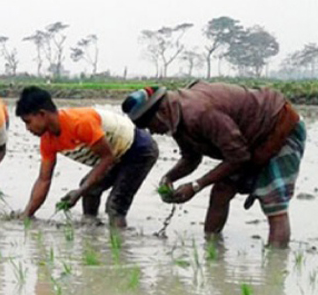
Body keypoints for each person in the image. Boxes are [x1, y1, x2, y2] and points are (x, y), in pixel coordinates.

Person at [122, 82, 307, 248]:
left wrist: (196, 185)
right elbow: (191, 158)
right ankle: (212, 252)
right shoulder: (176, 118)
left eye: (150, 125)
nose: (152, 132)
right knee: (221, 191)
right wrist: (169, 177)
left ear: (161, 112)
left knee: (273, 201)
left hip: (277, 127)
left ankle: (276, 266)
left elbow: (239, 156)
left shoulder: (200, 112)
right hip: (246, 142)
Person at [14, 86, 158, 228]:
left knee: (115, 205)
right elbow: (44, 179)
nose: (27, 128)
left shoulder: (80, 123)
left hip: (139, 149)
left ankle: (120, 240)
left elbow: (108, 158)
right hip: (115, 153)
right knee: (90, 190)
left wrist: (79, 192)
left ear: (42, 114)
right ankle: (91, 232)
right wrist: (28, 213)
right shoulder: (47, 140)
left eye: (28, 122)